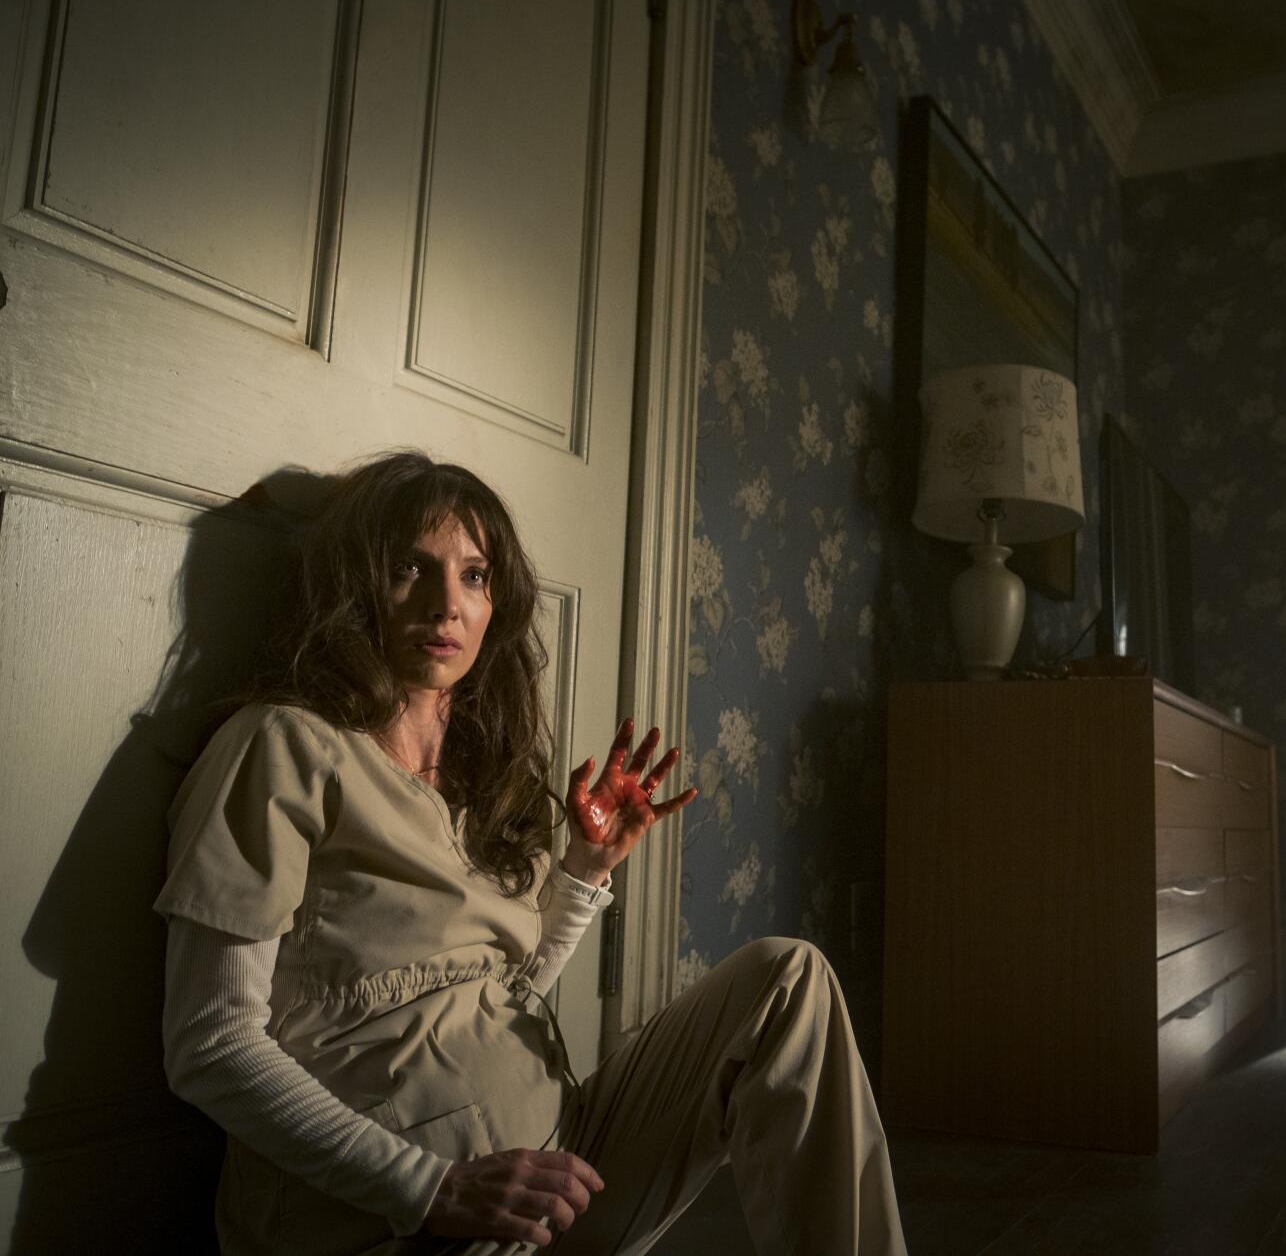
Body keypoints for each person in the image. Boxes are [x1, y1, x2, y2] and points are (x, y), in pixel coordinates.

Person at [156, 452, 906, 1254]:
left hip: (557, 1158)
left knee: (788, 981)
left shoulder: (478, 774)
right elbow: (210, 1041)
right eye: (412, 566)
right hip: (396, 1218)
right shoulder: (282, 747)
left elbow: (502, 999)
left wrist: (586, 868)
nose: (448, 603)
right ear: (355, 584)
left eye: (475, 575)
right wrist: (433, 1188)